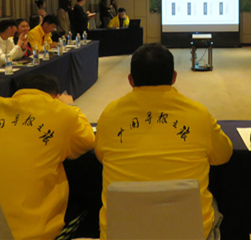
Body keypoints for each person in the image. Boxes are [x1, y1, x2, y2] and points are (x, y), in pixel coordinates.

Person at [95, 43, 232, 240]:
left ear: (130, 80)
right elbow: (224, 155)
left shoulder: (109, 115)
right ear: (174, 77)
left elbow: (100, 156)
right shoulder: (198, 114)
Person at [0, 74, 95, 240]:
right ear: (55, 97)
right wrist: (71, 106)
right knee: (86, 205)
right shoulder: (63, 112)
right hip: (30, 235)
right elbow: (88, 141)